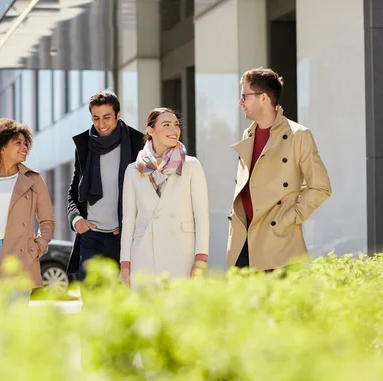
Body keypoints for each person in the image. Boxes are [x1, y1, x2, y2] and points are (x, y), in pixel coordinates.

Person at [227, 68, 331, 271]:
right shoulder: (248, 134)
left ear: (264, 98)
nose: (241, 102)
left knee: (281, 302)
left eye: (244, 96)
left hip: (278, 242)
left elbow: (321, 187)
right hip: (242, 242)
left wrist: (287, 219)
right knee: (243, 303)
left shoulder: (298, 135)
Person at [119, 108, 209, 288]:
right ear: (150, 130)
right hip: (143, 255)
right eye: (166, 125)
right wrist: (125, 263)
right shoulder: (134, 170)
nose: (174, 130)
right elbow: (128, 220)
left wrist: (201, 258)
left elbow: (201, 216)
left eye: (176, 125)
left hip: (181, 254)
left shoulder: (191, 165)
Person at [0, 118, 55, 300]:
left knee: (16, 319)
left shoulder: (33, 179)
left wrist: (37, 248)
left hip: (21, 254)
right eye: (18, 143)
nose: (25, 148)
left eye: (25, 144)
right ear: (2, 147)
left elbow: (47, 221)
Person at [67, 91, 144, 282]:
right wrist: (76, 219)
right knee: (91, 300)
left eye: (107, 117)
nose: (101, 124)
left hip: (123, 238)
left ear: (118, 115)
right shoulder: (84, 145)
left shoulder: (137, 143)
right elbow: (74, 191)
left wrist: (129, 224)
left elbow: (146, 192)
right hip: (90, 236)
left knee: (121, 300)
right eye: (96, 118)